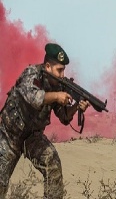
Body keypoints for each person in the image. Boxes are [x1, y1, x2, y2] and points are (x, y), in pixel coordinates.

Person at [0, 43, 90, 199]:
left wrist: (77, 106)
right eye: (59, 70)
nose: (62, 75)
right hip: (10, 135)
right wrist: (56, 96)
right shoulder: (31, 74)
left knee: (53, 165)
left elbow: (64, 117)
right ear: (48, 66)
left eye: (64, 70)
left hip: (32, 137)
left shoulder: (58, 85)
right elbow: (34, 98)